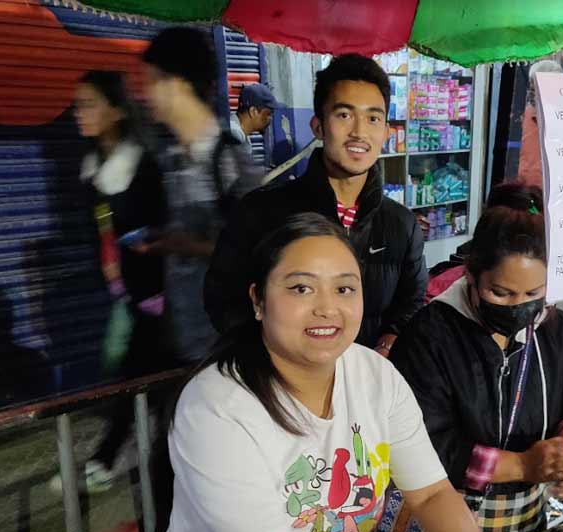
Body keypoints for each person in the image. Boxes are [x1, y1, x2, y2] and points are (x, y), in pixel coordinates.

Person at [159, 213, 558, 532]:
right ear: (258, 300)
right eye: (301, 288)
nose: (327, 308)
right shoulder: (216, 409)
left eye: (345, 288)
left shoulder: (375, 378)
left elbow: (430, 494)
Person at [361, 191, 563, 532]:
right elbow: (424, 444)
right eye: (501, 293)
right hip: (442, 524)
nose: (520, 307)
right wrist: (524, 465)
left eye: (535, 292)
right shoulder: (430, 335)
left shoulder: (558, 329)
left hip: (524, 520)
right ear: (472, 276)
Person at [205, 54, 427, 355]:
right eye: (344, 115)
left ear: (386, 132)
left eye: (373, 118)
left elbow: (412, 301)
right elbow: (224, 301)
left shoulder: (401, 224)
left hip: (364, 388)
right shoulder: (261, 212)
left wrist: (390, 339)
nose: (359, 133)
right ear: (318, 126)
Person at [53, 70, 169, 493]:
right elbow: (102, 230)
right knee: (134, 374)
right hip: (125, 293)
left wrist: (157, 281)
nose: (78, 113)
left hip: (158, 296)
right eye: (77, 105)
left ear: (117, 110)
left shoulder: (144, 165)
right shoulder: (94, 169)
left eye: (88, 104)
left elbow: (168, 231)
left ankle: (108, 458)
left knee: (136, 376)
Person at [140, 27, 262, 366]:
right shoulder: (170, 159)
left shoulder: (230, 161)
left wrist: (187, 245)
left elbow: (259, 249)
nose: (145, 94)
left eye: (151, 82)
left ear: (177, 85)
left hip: (225, 351)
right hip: (184, 343)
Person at [518, 59, 563, 189]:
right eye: (531, 89)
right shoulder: (524, 116)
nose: (532, 94)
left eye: (536, 89)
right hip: (523, 197)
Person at [229, 83, 279, 156]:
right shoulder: (234, 135)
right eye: (268, 114)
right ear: (253, 112)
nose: (270, 119)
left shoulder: (240, 133)